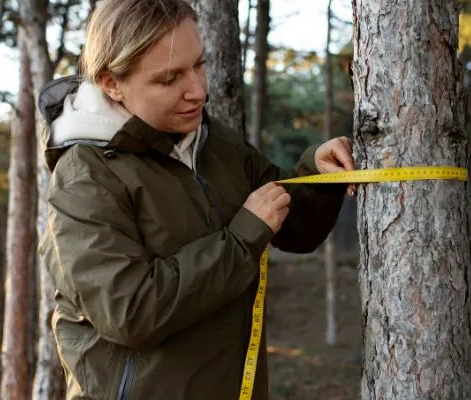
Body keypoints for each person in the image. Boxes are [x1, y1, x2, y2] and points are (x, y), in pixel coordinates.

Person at [37, 0, 354, 399]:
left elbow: (290, 226)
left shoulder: (212, 141)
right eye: (169, 79)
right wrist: (239, 242)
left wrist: (317, 174)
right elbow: (130, 312)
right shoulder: (85, 176)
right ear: (110, 83)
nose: (199, 90)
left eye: (199, 65)